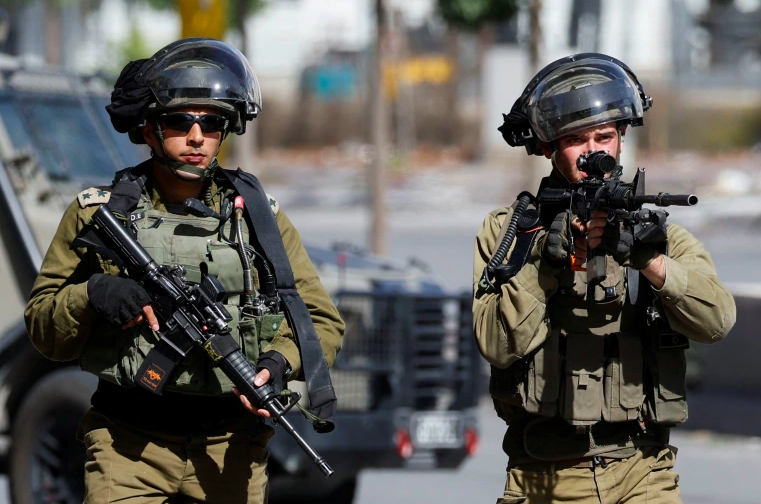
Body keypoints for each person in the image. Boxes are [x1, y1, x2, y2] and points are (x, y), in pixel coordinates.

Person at [24, 38, 344, 504]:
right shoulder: (98, 213)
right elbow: (42, 328)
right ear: (150, 129)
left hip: (230, 450)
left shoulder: (258, 217)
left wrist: (278, 363)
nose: (196, 137)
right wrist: (93, 293)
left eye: (211, 123)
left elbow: (320, 320)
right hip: (127, 447)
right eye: (180, 121)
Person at [473, 53, 736, 504]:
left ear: (621, 139)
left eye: (604, 136)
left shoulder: (656, 236)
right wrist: (545, 266)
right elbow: (495, 345)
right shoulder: (511, 232)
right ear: (548, 147)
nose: (592, 151)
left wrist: (648, 261)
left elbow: (717, 321)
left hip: (643, 471)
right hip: (545, 476)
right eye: (575, 139)